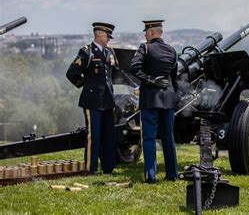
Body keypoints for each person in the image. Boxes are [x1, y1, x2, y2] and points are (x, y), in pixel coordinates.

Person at [66, 22, 120, 175]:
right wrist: (86, 85)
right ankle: (90, 168)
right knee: (94, 136)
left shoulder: (110, 52)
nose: (109, 38)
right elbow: (71, 73)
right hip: (92, 101)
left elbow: (115, 73)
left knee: (109, 136)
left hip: (108, 100)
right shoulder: (86, 52)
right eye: (107, 35)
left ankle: (108, 167)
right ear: (99, 34)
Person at [130, 19, 179, 183]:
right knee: (168, 138)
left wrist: (150, 80)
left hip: (151, 99)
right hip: (168, 99)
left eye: (146, 32)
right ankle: (172, 174)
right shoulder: (172, 51)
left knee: (149, 138)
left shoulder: (145, 48)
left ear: (151, 32)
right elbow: (173, 77)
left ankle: (151, 176)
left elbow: (134, 68)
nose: (145, 35)